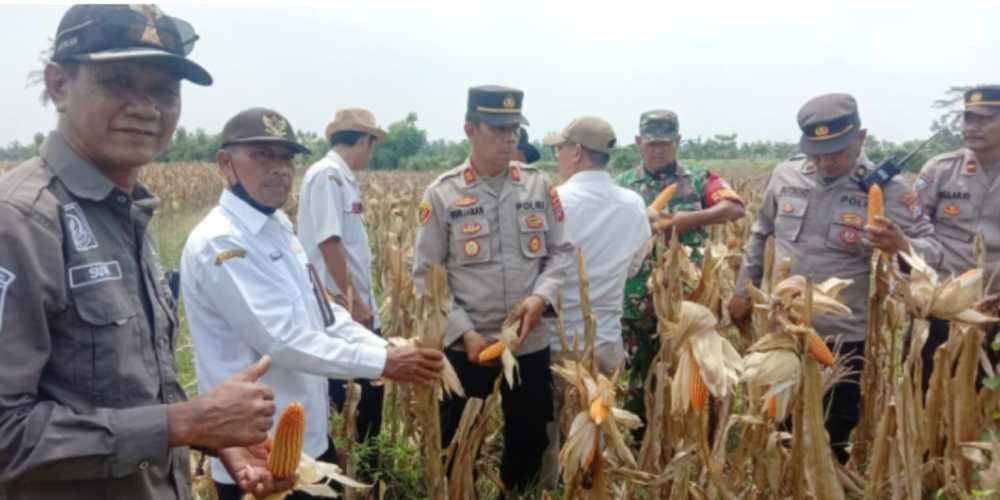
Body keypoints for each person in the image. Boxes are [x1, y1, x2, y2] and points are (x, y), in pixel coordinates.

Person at [0, 5, 285, 499]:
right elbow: (7, 433)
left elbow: (128, 388)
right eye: (118, 82)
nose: (146, 107)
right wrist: (181, 423)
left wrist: (211, 438)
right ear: (59, 85)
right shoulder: (21, 223)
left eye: (164, 90)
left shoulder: (128, 210)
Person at [182, 108, 444, 499]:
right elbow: (283, 341)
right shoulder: (222, 241)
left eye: (286, 157)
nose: (279, 168)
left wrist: (385, 347)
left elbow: (323, 314)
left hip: (307, 442)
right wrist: (384, 363)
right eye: (262, 155)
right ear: (226, 163)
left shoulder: (278, 228)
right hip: (258, 457)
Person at [728, 93, 941, 463]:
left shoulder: (888, 190)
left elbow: (933, 251)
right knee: (777, 424)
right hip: (781, 328)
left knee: (833, 429)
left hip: (842, 335)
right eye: (817, 153)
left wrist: (901, 245)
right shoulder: (786, 175)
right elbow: (760, 234)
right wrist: (742, 290)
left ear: (861, 138)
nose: (826, 162)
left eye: (837, 153)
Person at [412, 85, 573, 492]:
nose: (509, 138)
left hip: (528, 343)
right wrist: (462, 330)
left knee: (528, 442)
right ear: (470, 129)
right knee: (457, 446)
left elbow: (561, 253)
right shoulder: (444, 194)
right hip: (468, 345)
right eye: (498, 129)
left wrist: (540, 297)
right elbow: (427, 275)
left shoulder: (538, 186)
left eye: (514, 129)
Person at [615, 109, 745, 434]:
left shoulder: (699, 180)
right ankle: (643, 439)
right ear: (638, 142)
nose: (658, 150)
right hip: (638, 297)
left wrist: (691, 220)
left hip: (691, 300)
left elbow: (734, 207)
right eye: (651, 144)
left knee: (696, 367)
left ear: (678, 142)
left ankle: (697, 435)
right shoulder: (623, 186)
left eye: (665, 143)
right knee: (641, 372)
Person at [539, 116, 651, 488]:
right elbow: (634, 265)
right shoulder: (633, 204)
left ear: (576, 152)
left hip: (557, 345)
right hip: (606, 343)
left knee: (553, 446)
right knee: (596, 444)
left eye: (559, 149)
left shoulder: (553, 201)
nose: (557, 156)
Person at [297, 108, 387, 453]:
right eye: (372, 145)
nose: (371, 154)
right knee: (358, 396)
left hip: (349, 306)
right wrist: (355, 302)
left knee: (368, 394)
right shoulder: (328, 176)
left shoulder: (341, 177)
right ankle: (359, 466)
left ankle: (364, 464)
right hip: (340, 310)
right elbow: (329, 242)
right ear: (363, 141)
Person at [913, 84, 1000, 386]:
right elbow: (915, 227)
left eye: (985, 119)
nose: (972, 127)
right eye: (968, 118)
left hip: (994, 308)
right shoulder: (940, 170)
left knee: (985, 394)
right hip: (942, 305)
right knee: (928, 388)